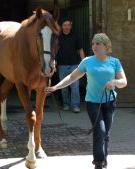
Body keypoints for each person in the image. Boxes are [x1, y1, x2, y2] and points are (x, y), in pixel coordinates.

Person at [46, 33, 127, 169]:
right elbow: (72, 77)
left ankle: (104, 160)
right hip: (93, 103)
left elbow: (124, 82)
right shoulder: (87, 61)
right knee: (99, 131)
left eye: (98, 44)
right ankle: (98, 163)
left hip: (110, 102)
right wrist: (55, 87)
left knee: (106, 133)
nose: (94, 46)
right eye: (93, 43)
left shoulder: (114, 62)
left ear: (106, 46)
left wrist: (114, 82)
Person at [55, 18, 85, 113]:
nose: (67, 27)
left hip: (74, 65)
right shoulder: (57, 37)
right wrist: (53, 62)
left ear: (71, 26)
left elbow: (80, 49)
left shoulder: (75, 36)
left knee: (75, 86)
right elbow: (54, 51)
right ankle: (66, 104)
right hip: (61, 65)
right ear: (61, 26)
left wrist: (84, 62)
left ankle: (75, 105)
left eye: (68, 25)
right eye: (65, 25)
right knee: (63, 86)